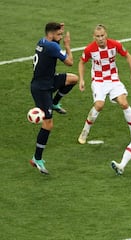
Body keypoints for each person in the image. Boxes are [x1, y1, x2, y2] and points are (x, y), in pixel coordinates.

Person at [30, 22, 78, 174]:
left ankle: (55, 103)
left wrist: (59, 30)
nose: (61, 37)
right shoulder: (53, 47)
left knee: (73, 79)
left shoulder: (42, 41)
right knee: (48, 124)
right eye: (58, 34)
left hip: (48, 81)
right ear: (51, 35)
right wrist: (68, 45)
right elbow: (70, 62)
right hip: (41, 89)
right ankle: (37, 158)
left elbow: (54, 39)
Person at [78, 24, 131, 144]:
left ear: (106, 35)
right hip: (98, 81)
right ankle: (85, 131)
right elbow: (81, 62)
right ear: (93, 36)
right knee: (99, 105)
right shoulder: (89, 49)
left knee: (124, 103)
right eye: (97, 36)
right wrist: (82, 79)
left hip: (113, 79)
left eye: (102, 35)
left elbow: (127, 55)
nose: (100, 38)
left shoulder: (115, 45)